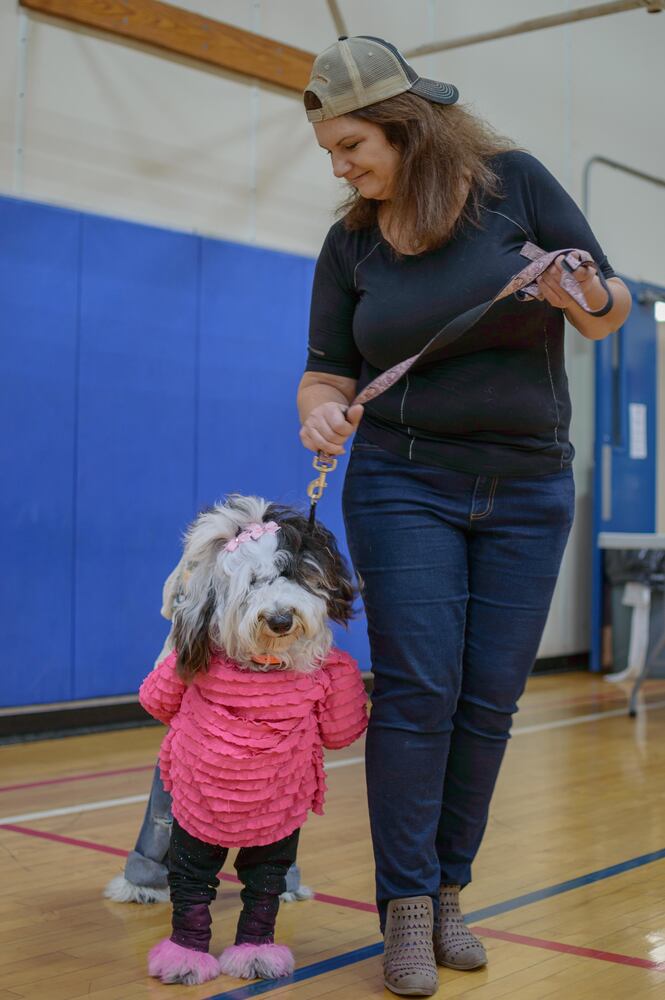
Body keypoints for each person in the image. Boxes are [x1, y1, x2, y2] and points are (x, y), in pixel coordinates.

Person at [297, 35, 631, 998]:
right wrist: (320, 409)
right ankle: (404, 906)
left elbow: (603, 310)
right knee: (417, 694)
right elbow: (326, 369)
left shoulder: (514, 185)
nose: (341, 166)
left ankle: (449, 891)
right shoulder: (351, 239)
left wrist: (582, 289)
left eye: (352, 144)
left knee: (488, 701)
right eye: (329, 152)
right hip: (404, 481)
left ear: (407, 127)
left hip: (528, 488)